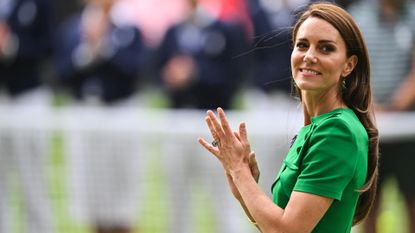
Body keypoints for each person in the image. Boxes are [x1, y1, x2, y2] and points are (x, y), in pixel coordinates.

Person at [198, 2, 379, 232]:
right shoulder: (314, 127)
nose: (309, 56)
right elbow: (277, 224)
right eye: (302, 45)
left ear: (349, 65)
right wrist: (244, 188)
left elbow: (288, 230)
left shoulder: (337, 131)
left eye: (326, 48)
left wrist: (239, 171)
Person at [54, 0, 147, 232]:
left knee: (122, 189)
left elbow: (134, 70)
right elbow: (63, 73)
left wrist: (104, 46)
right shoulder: (72, 28)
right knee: (91, 189)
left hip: (120, 113)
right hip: (85, 114)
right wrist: (88, 49)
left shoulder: (130, 28)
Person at [348, 0, 415, 232]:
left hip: (409, 131)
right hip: (370, 128)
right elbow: (353, 69)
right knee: (369, 204)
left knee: (412, 201)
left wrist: (395, 106)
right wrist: (370, 107)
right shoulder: (358, 17)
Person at [0, 0, 54, 232]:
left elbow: (49, 46)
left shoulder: (41, 4)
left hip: (29, 99)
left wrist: (10, 45)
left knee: (32, 182)